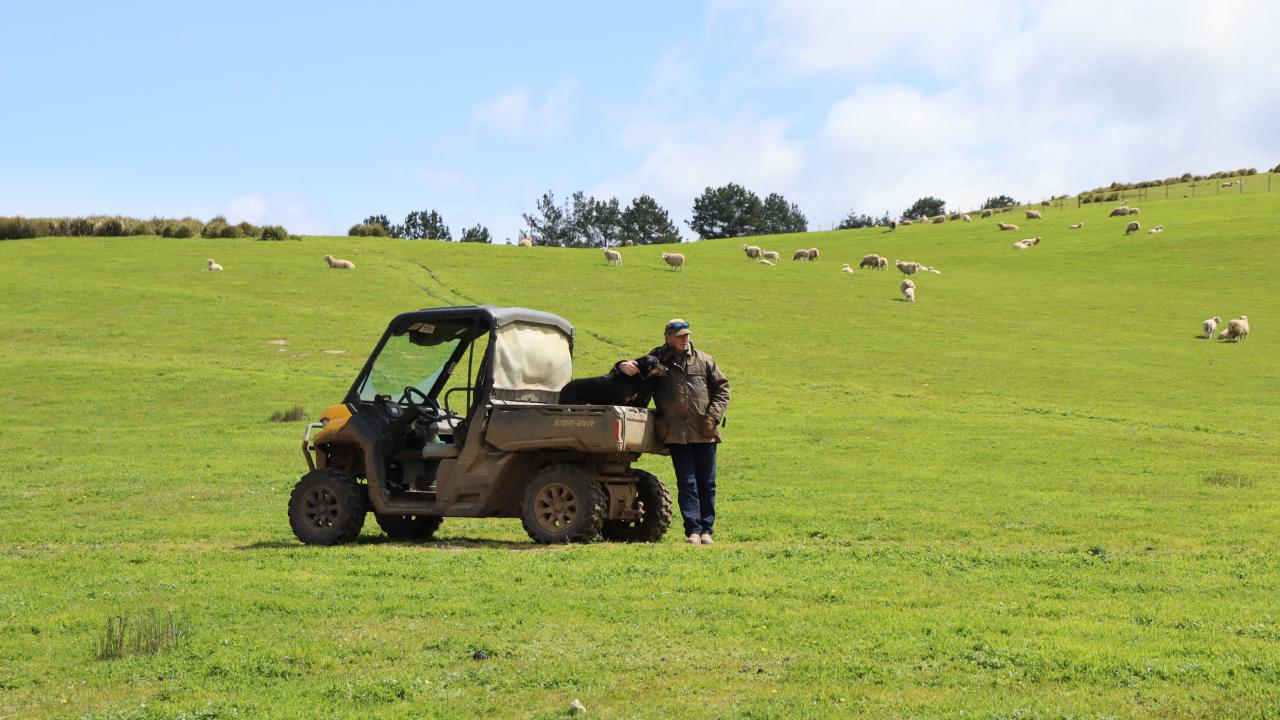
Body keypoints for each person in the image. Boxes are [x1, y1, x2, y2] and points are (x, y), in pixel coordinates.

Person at [617, 319, 729, 545]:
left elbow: (722, 389)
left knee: (707, 483)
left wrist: (713, 416)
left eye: (687, 335)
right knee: (687, 483)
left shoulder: (705, 360)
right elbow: (635, 367)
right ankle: (693, 532)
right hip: (676, 433)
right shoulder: (658, 360)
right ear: (668, 337)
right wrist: (621, 364)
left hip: (705, 430)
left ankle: (707, 530)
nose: (685, 339)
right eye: (679, 336)